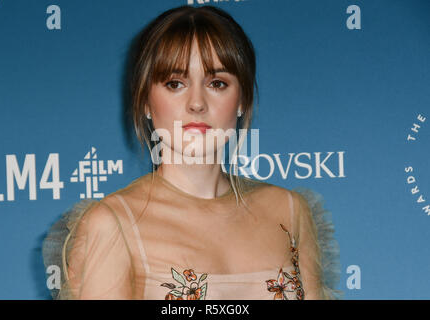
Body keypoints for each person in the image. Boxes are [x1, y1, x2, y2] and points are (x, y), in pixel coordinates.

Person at [42, 5, 342, 300]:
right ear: (146, 101)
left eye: (217, 83)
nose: (196, 103)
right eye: (175, 83)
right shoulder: (113, 223)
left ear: (242, 100)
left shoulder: (290, 210)